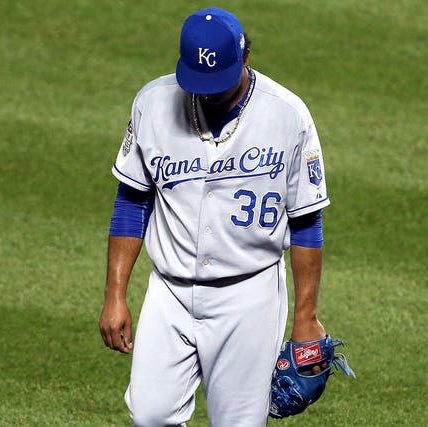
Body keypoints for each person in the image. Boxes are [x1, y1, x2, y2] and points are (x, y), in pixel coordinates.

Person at [99, 7, 330, 426]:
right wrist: (115, 294)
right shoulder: (151, 104)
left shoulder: (287, 115)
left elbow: (306, 221)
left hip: (249, 295)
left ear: (244, 58)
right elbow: (131, 201)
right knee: (150, 416)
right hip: (169, 292)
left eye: (218, 83)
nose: (208, 93)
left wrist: (305, 318)